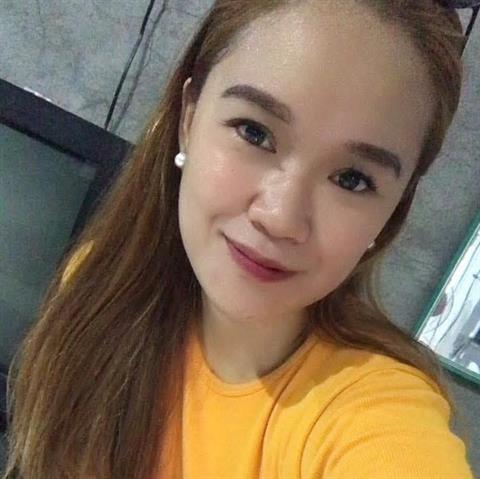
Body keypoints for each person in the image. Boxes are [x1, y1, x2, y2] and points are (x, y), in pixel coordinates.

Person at [2, 1, 476, 478]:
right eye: (254, 132)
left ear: (392, 212)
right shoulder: (95, 285)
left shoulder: (370, 416)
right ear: (188, 118)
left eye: (352, 180)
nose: (280, 217)